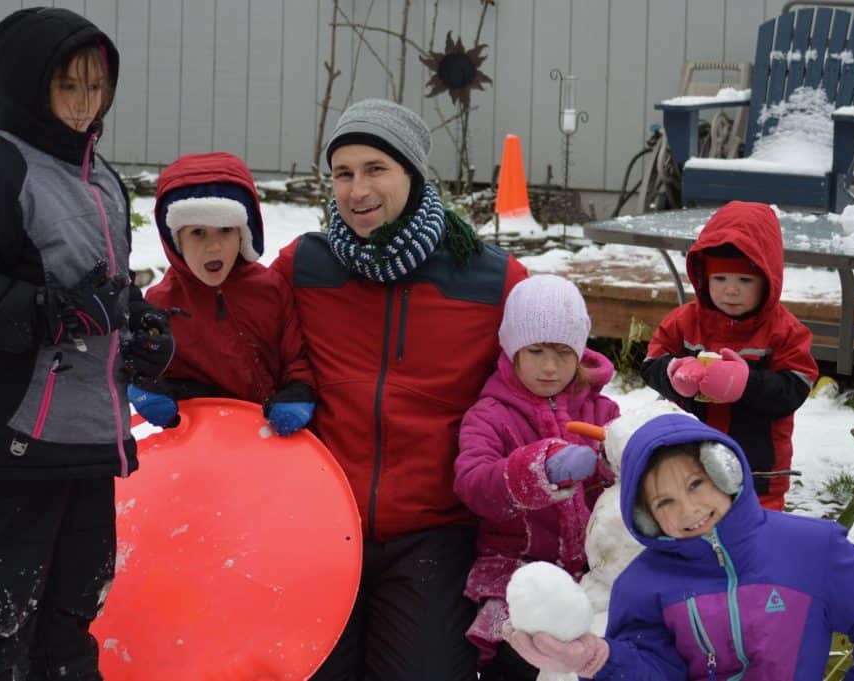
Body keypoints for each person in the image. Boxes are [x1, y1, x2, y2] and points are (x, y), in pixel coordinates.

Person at [0, 7, 174, 681]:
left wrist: (140, 328)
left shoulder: (102, 180)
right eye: (70, 85)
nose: (86, 101)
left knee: (75, 606)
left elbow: (108, 289)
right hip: (23, 434)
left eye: (97, 86)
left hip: (92, 434)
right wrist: (47, 312)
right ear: (30, 86)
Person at [271, 98, 528, 680]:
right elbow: (236, 328)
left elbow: (544, 373)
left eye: (375, 169)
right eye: (343, 173)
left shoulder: (491, 278)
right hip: (319, 525)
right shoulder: (304, 266)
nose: (357, 189)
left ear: (412, 174)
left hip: (432, 532)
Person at [502, 413, 854, 680]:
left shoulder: (811, 550)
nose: (688, 509)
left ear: (725, 472)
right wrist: (599, 659)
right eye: (664, 502)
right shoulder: (642, 585)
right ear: (645, 517)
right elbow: (654, 671)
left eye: (695, 484)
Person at [454, 274, 620, 681]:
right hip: (517, 571)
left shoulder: (602, 411)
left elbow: (629, 470)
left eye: (564, 353)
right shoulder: (490, 415)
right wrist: (537, 470)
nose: (550, 366)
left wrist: (611, 460)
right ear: (513, 350)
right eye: (537, 351)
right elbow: (473, 482)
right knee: (522, 662)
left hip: (593, 573)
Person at [640, 200, 818, 511]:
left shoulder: (784, 331)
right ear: (703, 277)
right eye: (720, 279)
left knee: (753, 540)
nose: (730, 291)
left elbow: (796, 388)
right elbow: (652, 362)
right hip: (688, 461)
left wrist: (746, 384)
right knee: (693, 526)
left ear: (768, 280)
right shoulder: (685, 321)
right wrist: (674, 374)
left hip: (757, 470)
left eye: (744, 281)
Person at [124, 151, 315, 435]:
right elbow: (147, 366)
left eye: (225, 230)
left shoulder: (270, 290)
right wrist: (148, 388)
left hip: (269, 437)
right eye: (198, 233)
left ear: (243, 233)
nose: (213, 247)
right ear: (175, 240)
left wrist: (299, 391)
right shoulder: (162, 303)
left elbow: (296, 358)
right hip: (199, 442)